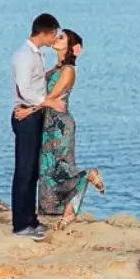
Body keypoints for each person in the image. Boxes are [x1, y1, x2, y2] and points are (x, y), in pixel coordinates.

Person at [14, 29, 105, 231]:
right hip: (49, 124)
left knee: (61, 168)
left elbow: (52, 99)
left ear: (71, 47)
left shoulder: (68, 70)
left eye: (62, 37)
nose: (57, 38)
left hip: (61, 125)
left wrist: (27, 112)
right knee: (49, 170)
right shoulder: (55, 68)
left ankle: (89, 174)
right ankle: (68, 214)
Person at [9, 13, 67, 239]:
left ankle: (30, 219)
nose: (54, 38)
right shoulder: (25, 56)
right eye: (54, 34)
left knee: (32, 171)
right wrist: (48, 101)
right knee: (24, 171)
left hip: (34, 113)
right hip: (26, 115)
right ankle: (20, 225)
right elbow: (25, 89)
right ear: (46, 32)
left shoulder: (36, 54)